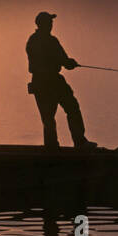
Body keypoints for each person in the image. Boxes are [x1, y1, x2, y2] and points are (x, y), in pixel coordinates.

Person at [26, 12, 95, 149]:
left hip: (43, 82)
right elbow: (63, 60)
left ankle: (54, 147)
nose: (52, 25)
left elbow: (62, 60)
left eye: (51, 23)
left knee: (52, 116)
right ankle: (77, 143)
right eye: (49, 22)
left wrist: (68, 62)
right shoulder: (48, 41)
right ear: (43, 24)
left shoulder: (35, 41)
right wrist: (70, 63)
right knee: (65, 111)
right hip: (49, 81)